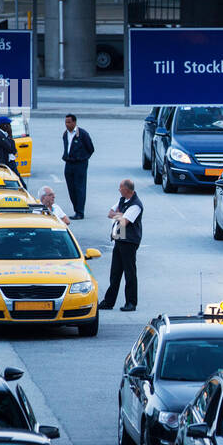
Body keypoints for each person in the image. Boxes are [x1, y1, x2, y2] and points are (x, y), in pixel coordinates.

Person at [99, 178, 143, 312]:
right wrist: (121, 214)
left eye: (120, 188)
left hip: (129, 242)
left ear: (127, 189)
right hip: (119, 238)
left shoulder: (136, 205)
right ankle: (109, 301)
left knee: (129, 273)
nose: (119, 190)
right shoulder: (122, 200)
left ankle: (131, 302)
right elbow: (110, 213)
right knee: (115, 273)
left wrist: (119, 215)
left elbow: (124, 222)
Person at [61, 113, 94, 219]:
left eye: (69, 122)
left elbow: (91, 148)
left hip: (80, 164)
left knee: (79, 187)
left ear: (74, 122)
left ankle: (80, 212)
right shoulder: (65, 134)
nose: (67, 124)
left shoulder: (83, 134)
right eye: (66, 122)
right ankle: (76, 209)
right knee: (71, 188)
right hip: (68, 163)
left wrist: (83, 158)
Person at [0, 116, 19, 181]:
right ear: (4, 125)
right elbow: (10, 148)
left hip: (8, 162)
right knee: (17, 180)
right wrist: (10, 135)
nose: (10, 126)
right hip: (4, 163)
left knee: (18, 179)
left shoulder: (3, 135)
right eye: (8, 124)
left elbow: (13, 150)